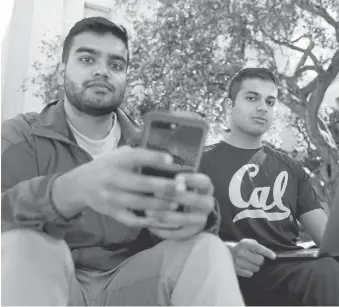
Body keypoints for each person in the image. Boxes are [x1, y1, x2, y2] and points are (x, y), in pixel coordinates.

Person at [1, 17, 245, 306]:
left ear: (126, 77)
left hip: (131, 284)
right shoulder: (21, 135)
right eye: (88, 59)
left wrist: (196, 217)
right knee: (23, 242)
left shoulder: (150, 148)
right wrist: (68, 190)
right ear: (60, 72)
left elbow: (178, 234)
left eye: (116, 65)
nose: (102, 71)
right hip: (52, 282)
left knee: (207, 249)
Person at [200, 67, 339, 306]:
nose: (262, 107)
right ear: (228, 106)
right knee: (322, 273)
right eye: (251, 98)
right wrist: (225, 251)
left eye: (270, 101)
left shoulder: (291, 167)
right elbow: (182, 236)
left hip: (293, 265)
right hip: (243, 275)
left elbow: (327, 239)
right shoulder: (199, 161)